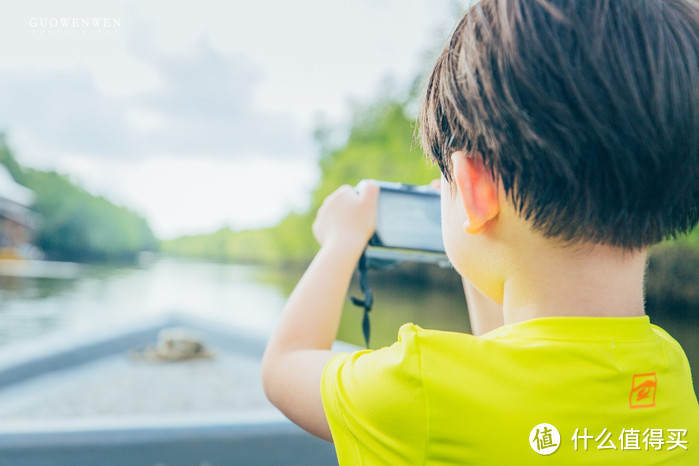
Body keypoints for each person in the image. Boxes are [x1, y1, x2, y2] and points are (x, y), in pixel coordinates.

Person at [261, 0, 699, 463]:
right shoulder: (668, 373)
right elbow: (511, 367)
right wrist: (477, 237)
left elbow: (283, 366)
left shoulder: (419, 385)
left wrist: (341, 241)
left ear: (473, 188)